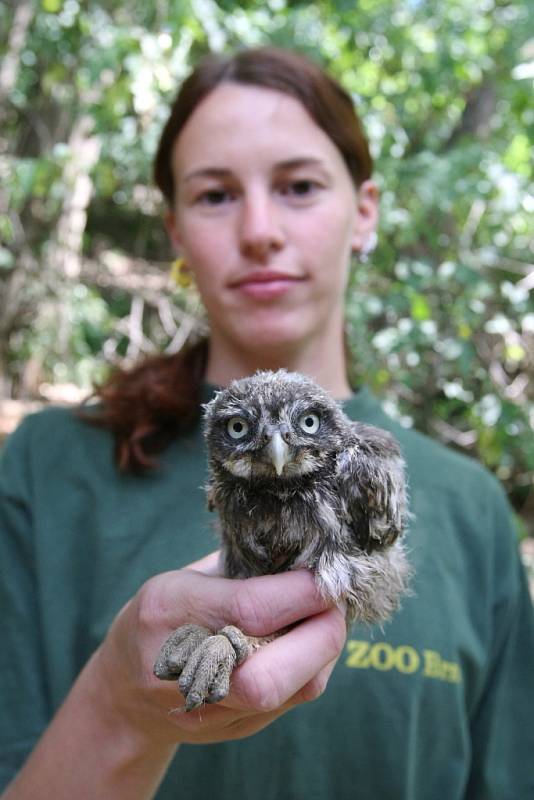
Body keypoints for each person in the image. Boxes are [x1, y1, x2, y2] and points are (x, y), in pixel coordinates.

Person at [1, 46, 533, 800]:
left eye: (299, 186)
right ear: (177, 232)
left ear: (366, 210)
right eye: (216, 195)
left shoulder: (468, 506)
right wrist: (120, 706)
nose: (259, 230)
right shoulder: (49, 466)